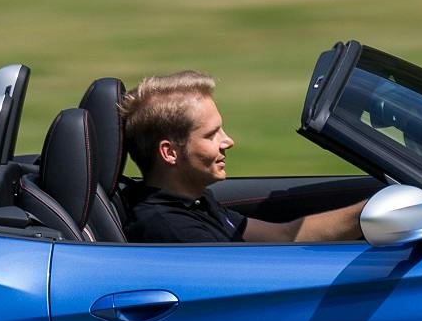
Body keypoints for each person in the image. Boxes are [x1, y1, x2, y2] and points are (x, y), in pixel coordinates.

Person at [118, 71, 366, 243]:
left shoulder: (195, 202)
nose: (228, 141)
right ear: (169, 152)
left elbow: (286, 236)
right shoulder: (172, 229)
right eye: (211, 135)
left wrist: (366, 213)